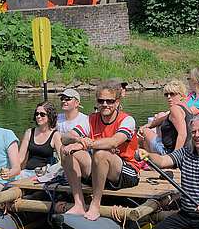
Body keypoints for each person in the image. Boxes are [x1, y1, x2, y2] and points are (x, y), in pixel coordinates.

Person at [60, 81, 140, 220]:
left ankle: (95, 205)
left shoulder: (127, 120)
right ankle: (79, 203)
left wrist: (86, 145)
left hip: (126, 172)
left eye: (109, 101)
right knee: (66, 150)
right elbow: (65, 137)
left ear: (117, 102)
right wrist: (77, 140)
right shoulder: (91, 119)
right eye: (101, 101)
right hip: (99, 170)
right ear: (97, 102)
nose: (105, 104)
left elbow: (114, 142)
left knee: (101, 153)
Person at [138, 80, 193, 155]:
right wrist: (147, 125)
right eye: (167, 94)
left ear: (181, 95)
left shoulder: (175, 109)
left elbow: (182, 134)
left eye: (172, 94)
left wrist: (175, 158)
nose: (169, 97)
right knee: (146, 128)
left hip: (170, 152)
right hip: (187, 150)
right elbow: (162, 119)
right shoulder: (186, 108)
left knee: (145, 132)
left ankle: (148, 161)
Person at [19, 101, 63, 178]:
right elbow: (20, 158)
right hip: (27, 172)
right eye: (37, 114)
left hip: (45, 173)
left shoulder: (55, 135)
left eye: (42, 114)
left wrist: (50, 170)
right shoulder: (29, 132)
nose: (38, 116)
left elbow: (62, 159)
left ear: (50, 116)